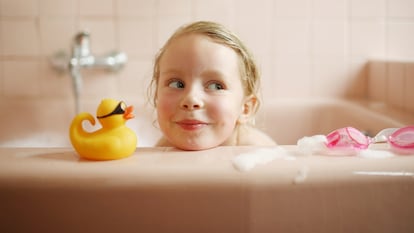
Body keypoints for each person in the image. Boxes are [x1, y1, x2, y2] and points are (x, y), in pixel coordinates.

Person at [148, 21, 276, 150]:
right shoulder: (163, 149)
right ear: (156, 95)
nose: (191, 99)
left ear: (245, 108)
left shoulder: (257, 152)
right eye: (176, 84)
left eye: (216, 86)